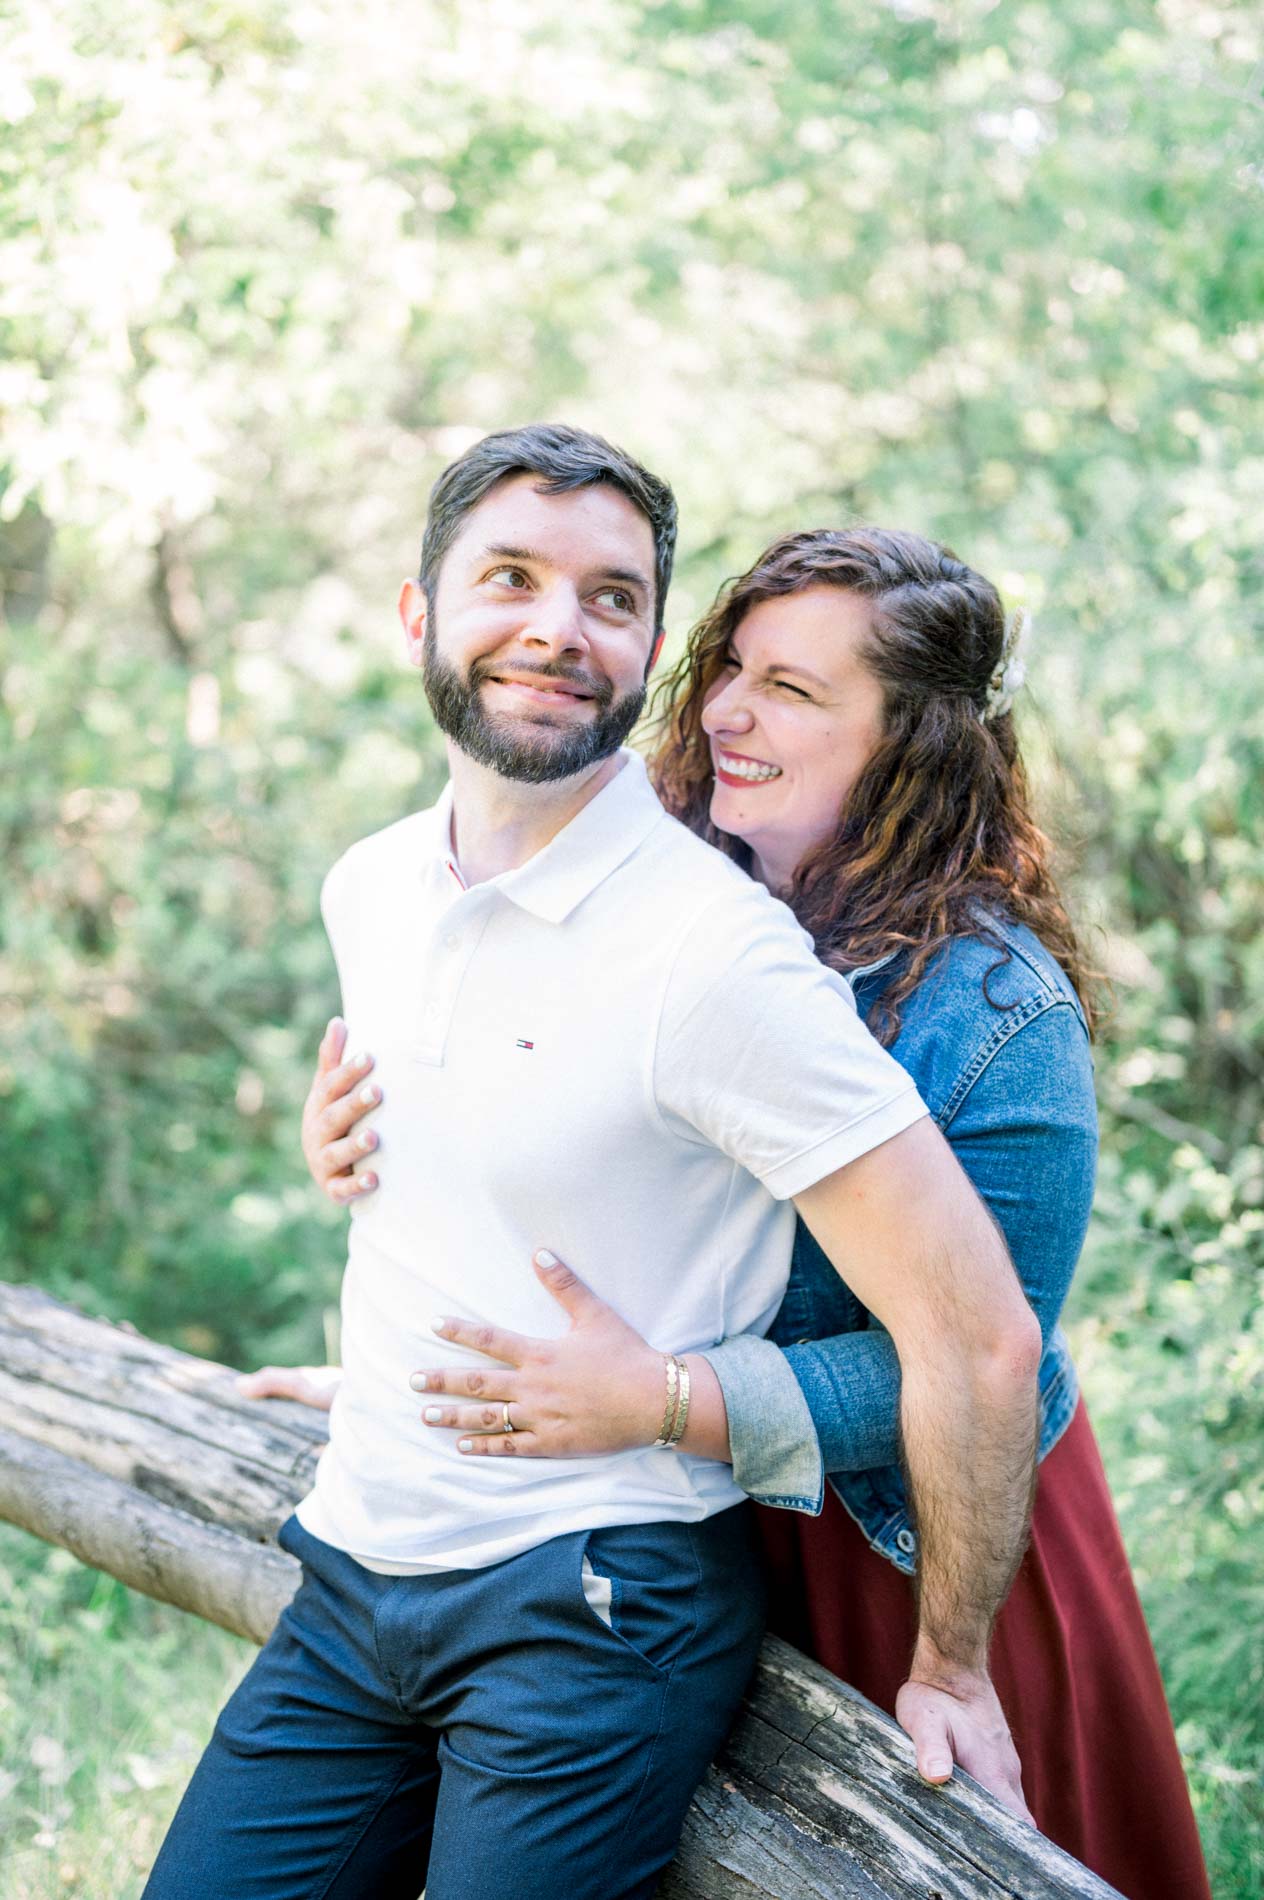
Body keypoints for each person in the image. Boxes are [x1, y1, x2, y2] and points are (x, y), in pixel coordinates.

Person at [148, 426, 1042, 1900]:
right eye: (511, 576)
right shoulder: (369, 884)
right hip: (353, 1566)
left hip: (593, 1603)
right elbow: (485, 1167)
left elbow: (982, 1336)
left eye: (611, 598)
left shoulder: (715, 956)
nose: (558, 628)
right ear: (417, 611)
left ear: (645, 651)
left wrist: (954, 1663)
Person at [273, 525, 1212, 1900]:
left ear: (914, 743)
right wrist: (375, 1222)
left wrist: (665, 1400)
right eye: (728, 666)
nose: (723, 710)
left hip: (915, 1533)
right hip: (660, 1513)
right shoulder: (659, 900)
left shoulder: (1003, 1023)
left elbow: (962, 1358)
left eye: (793, 689)